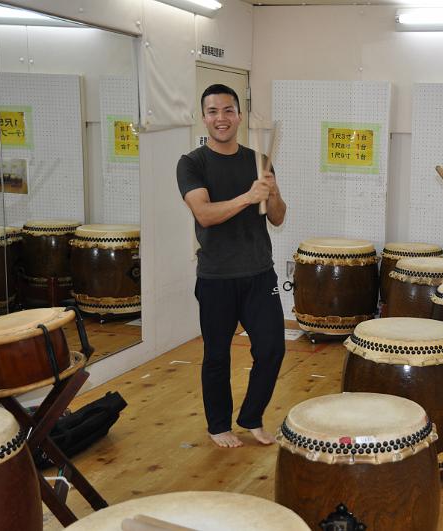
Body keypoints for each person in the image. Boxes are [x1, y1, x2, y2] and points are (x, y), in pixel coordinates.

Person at [176, 84, 287, 448]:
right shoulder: (192, 163)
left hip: (259, 273)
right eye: (212, 111)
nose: (220, 118)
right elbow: (205, 215)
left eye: (227, 110)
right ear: (203, 117)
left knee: (271, 349)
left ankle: (252, 417)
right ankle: (218, 425)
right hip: (217, 277)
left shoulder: (258, 160)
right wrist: (246, 196)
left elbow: (278, 218)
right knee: (217, 354)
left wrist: (271, 194)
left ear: (238, 115)